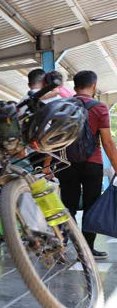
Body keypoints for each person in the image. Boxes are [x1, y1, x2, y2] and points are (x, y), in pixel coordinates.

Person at [55, 70, 117, 260]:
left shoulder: (62, 106)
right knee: (91, 206)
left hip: (66, 163)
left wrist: (49, 165)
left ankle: (64, 244)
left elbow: (56, 139)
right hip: (92, 164)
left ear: (74, 87)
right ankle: (87, 250)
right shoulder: (100, 108)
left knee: (68, 206)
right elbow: (107, 142)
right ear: (94, 86)